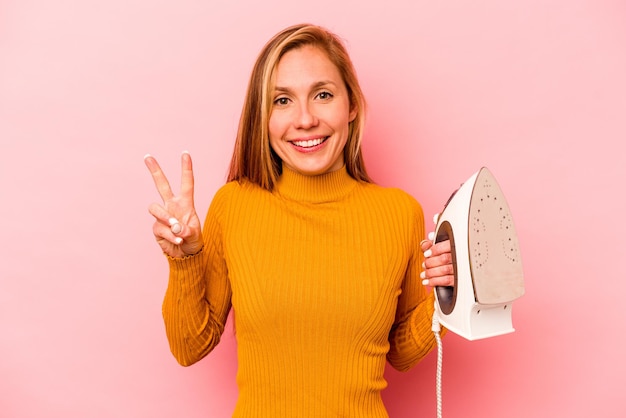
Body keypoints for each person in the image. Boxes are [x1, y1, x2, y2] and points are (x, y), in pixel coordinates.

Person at [144, 23, 454, 417]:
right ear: (264, 115)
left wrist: (449, 298)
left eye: (322, 95)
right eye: (282, 101)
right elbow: (190, 347)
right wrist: (184, 258)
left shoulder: (398, 213)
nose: (305, 119)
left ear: (351, 105)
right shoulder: (234, 205)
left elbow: (402, 354)